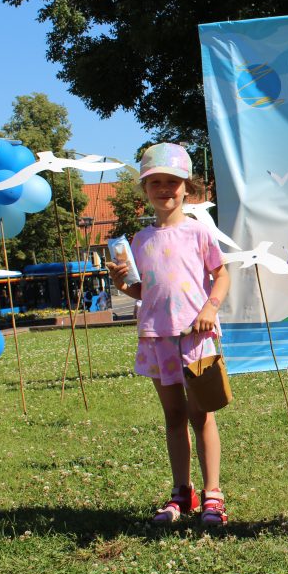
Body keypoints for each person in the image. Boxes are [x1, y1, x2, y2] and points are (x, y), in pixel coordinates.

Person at [107, 143, 231, 526]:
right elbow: (144, 291)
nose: (164, 189)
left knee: (202, 414)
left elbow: (221, 274)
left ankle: (213, 493)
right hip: (157, 337)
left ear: (186, 188)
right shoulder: (140, 241)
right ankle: (182, 491)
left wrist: (210, 308)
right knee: (174, 415)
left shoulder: (199, 233)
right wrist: (123, 285)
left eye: (172, 182)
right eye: (155, 182)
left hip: (195, 337)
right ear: (145, 190)